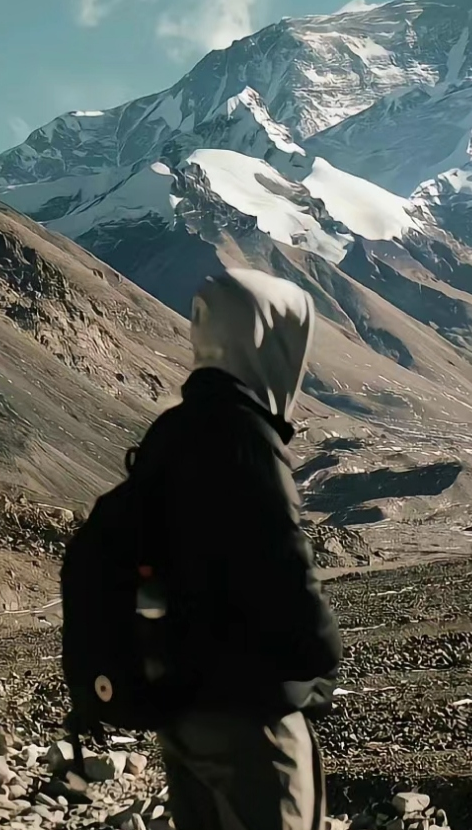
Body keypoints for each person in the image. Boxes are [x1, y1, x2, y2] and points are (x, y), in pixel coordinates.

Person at [152, 268, 342, 830]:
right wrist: (320, 663)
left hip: (183, 704)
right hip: (251, 709)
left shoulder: (171, 432)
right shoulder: (246, 440)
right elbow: (284, 566)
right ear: (268, 344)